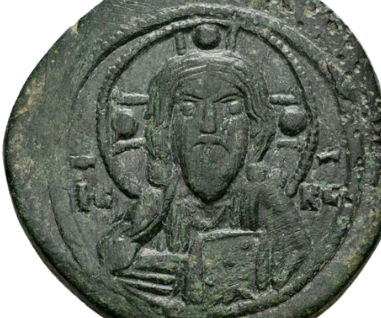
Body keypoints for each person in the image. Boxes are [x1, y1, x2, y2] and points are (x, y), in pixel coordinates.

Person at [98, 43, 309, 304]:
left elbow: (291, 263)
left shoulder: (266, 204)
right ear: (166, 129)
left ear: (255, 129)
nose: (209, 125)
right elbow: (112, 254)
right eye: (189, 109)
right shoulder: (156, 207)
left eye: (231, 109)